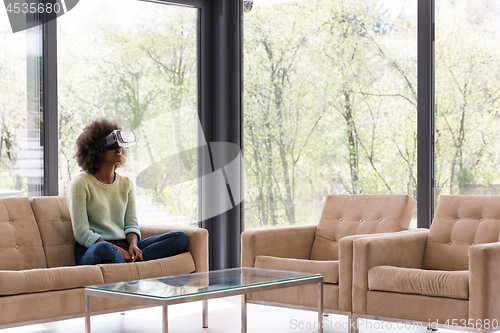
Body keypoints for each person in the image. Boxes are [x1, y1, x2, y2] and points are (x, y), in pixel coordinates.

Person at [68, 118, 188, 265]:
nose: (118, 147)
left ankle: (131, 261)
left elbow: (131, 224)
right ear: (96, 150)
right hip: (93, 249)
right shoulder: (81, 183)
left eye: (119, 143)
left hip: (124, 246)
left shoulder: (126, 183)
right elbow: (82, 233)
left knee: (180, 237)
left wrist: (133, 246)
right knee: (104, 248)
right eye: (112, 143)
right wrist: (118, 250)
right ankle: (131, 265)